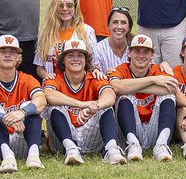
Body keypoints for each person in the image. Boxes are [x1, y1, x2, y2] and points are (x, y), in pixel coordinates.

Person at [42, 37, 126, 166]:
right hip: (62, 142)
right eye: (70, 55)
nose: (76, 59)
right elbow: (47, 94)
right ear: (63, 60)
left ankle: (111, 149)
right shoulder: (55, 78)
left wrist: (93, 107)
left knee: (105, 107)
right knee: (54, 106)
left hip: (91, 136)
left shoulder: (94, 78)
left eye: (80, 55)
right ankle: (71, 149)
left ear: (86, 60)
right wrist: (82, 104)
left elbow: (110, 95)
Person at [0, 34, 47, 173]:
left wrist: (22, 113)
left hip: (22, 140)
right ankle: (7, 155)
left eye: (12, 52)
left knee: (31, 107)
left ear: (18, 57)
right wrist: (5, 118)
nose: (8, 55)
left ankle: (34, 155)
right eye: (3, 51)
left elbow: (41, 101)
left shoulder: (27, 80)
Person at [106, 34, 181, 162]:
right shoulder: (121, 69)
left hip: (155, 129)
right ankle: (133, 145)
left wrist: (133, 86)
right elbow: (116, 87)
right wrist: (153, 80)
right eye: (137, 51)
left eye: (146, 52)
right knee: (124, 96)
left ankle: (161, 145)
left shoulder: (159, 69)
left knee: (168, 96)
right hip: (129, 130)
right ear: (129, 53)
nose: (141, 55)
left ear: (152, 55)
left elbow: (173, 88)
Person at [33, 0, 98, 80]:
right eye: (60, 5)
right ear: (55, 8)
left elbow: (94, 64)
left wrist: (96, 70)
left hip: (78, 85)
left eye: (69, 5)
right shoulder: (45, 33)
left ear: (75, 8)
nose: (65, 8)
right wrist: (46, 75)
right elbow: (39, 68)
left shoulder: (86, 31)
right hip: (53, 85)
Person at [92, 7, 133, 75]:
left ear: (129, 27)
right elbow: (94, 77)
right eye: (115, 22)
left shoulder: (135, 46)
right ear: (108, 25)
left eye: (123, 23)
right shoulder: (98, 49)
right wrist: (105, 74)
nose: (119, 27)